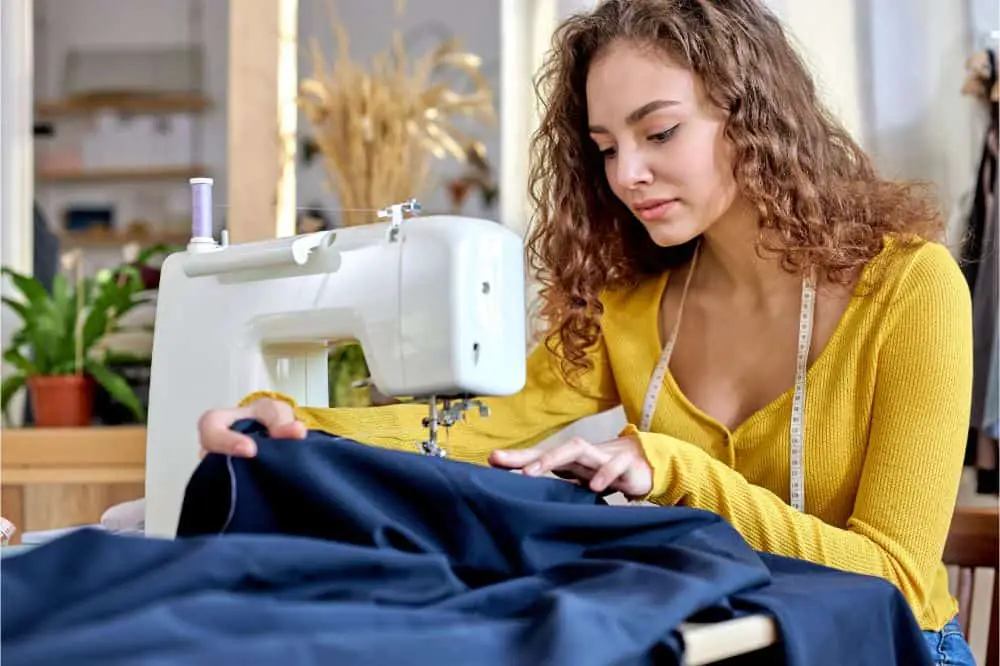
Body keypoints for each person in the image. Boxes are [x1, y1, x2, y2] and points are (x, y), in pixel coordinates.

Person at [199, 1, 974, 663]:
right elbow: (475, 429)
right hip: (728, 646)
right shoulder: (630, 310)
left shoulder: (907, 288)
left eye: (659, 133)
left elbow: (896, 583)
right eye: (605, 149)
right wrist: (290, 423)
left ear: (755, 120)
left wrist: (671, 470)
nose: (626, 173)